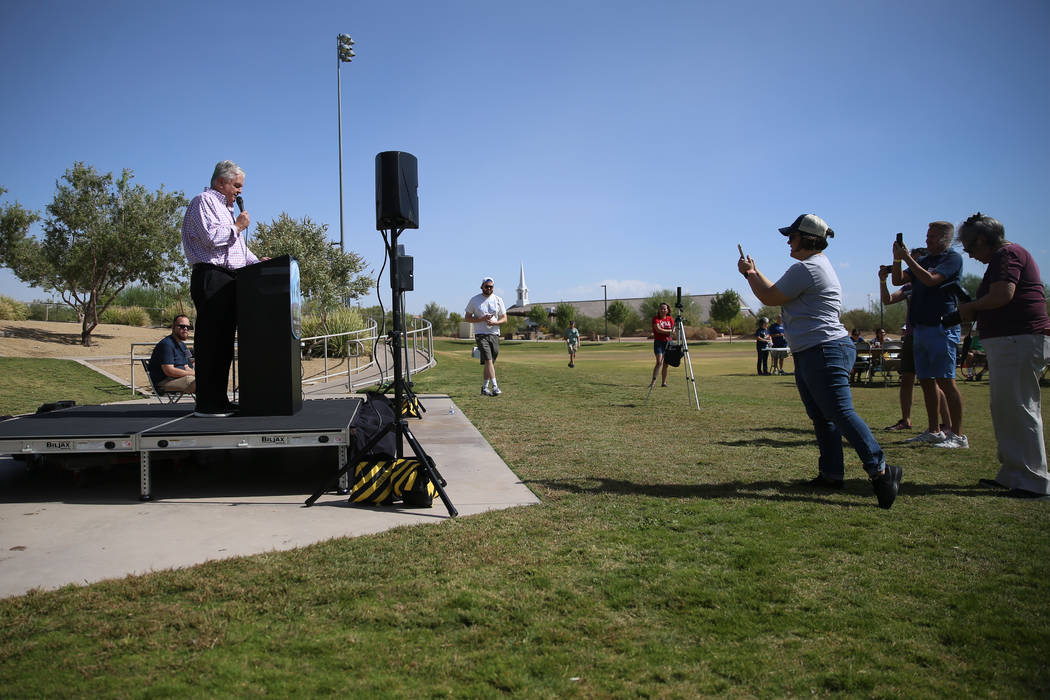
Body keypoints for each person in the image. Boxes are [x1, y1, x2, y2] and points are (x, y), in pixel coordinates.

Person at [738, 213, 901, 509]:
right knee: (824, 417)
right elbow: (777, 292)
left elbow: (771, 297)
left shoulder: (807, 268)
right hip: (816, 350)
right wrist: (755, 271)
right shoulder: (812, 267)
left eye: (793, 236)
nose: (789, 240)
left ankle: (881, 471)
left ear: (809, 239)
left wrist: (749, 274)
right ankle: (831, 474)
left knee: (840, 413)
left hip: (823, 349)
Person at [957, 213, 1050, 498]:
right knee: (1006, 408)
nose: (971, 255)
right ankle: (1013, 473)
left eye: (971, 248)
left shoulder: (1006, 255)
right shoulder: (1005, 256)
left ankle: (1035, 480)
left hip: (1019, 339)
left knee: (1020, 407)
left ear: (983, 240)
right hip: (1010, 341)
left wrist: (971, 308)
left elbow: (1002, 295)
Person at [182, 160, 266, 417]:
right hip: (212, 278)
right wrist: (238, 226)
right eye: (236, 185)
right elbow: (212, 239)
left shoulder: (225, 210)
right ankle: (207, 404)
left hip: (229, 279)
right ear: (221, 182)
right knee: (211, 343)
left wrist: (258, 262)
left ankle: (220, 399)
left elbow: (236, 250)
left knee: (223, 345)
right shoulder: (203, 201)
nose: (240, 191)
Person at [892, 222, 967, 448]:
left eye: (933, 236)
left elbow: (930, 280)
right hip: (921, 328)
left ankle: (957, 435)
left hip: (941, 327)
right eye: (927, 235)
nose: (927, 240)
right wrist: (897, 259)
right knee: (926, 381)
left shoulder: (952, 259)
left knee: (946, 380)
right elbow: (897, 281)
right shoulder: (923, 260)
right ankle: (934, 430)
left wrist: (907, 259)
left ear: (946, 239)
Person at [878, 252, 950, 432]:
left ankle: (946, 423)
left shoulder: (933, 283)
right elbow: (887, 300)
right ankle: (906, 420)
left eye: (917, 260)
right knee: (907, 379)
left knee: (934, 381)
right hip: (911, 336)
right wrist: (882, 281)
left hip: (930, 332)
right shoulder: (909, 286)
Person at [464, 276, 507, 396]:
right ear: (482, 286)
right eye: (486, 286)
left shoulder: (498, 300)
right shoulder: (474, 300)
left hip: (494, 334)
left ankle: (484, 387)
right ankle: (495, 387)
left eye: (491, 286)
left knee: (490, 362)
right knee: (488, 359)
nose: (489, 288)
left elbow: (504, 318)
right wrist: (481, 319)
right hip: (480, 334)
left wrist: (495, 323)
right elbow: (467, 318)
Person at [148, 314, 196, 395]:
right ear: (173, 327)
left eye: (188, 327)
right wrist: (193, 373)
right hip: (165, 382)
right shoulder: (166, 345)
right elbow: (169, 371)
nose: (185, 329)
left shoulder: (183, 345)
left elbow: (187, 365)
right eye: (181, 326)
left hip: (182, 378)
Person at [650, 302, 675, 387]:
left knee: (666, 363)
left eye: (664, 309)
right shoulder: (655, 319)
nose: (663, 310)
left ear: (667, 310)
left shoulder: (670, 319)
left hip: (669, 342)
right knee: (659, 362)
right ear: (659, 310)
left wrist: (669, 332)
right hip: (659, 343)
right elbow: (658, 329)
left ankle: (664, 382)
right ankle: (653, 382)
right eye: (661, 308)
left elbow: (674, 331)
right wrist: (669, 331)